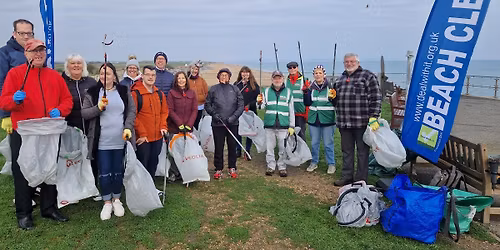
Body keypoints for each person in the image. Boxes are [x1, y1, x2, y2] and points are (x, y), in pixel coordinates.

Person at [0, 39, 73, 230]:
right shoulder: (15, 74)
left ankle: (48, 208)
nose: (38, 54)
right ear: (26, 54)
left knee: (50, 169)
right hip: (24, 132)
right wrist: (14, 101)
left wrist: (60, 110)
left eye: (41, 50)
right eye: (34, 51)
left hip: (49, 130)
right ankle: (23, 213)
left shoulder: (54, 76)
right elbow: (5, 102)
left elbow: (67, 100)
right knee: (23, 171)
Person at [81, 62, 136, 220]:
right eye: (102, 73)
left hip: (120, 139)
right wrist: (98, 108)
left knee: (118, 170)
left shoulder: (123, 91)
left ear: (114, 76)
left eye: (109, 73)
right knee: (105, 172)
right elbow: (85, 113)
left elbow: (131, 110)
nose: (105, 77)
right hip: (101, 141)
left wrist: (128, 127)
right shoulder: (92, 92)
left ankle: (116, 199)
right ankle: (106, 202)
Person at [333, 53, 381, 186]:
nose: (349, 64)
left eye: (351, 61)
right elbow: (336, 102)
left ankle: (360, 179)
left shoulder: (368, 76)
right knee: (346, 151)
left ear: (358, 62)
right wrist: (333, 98)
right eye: (346, 62)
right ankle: (347, 176)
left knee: (362, 152)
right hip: (344, 123)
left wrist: (374, 116)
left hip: (362, 122)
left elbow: (376, 97)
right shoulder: (340, 79)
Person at [205, 68, 244, 179]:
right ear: (218, 77)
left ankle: (232, 167)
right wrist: (214, 115)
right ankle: (218, 168)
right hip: (218, 123)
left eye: (226, 75)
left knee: (232, 146)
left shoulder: (235, 89)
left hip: (232, 123)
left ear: (229, 77)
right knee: (219, 146)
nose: (224, 77)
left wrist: (233, 117)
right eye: (221, 75)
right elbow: (207, 104)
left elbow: (240, 105)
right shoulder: (213, 89)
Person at [130, 65, 168, 179]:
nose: (150, 77)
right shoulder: (135, 93)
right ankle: (141, 190)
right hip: (143, 138)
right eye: (148, 75)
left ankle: (151, 189)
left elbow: (164, 112)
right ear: (142, 76)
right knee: (142, 165)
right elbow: (133, 115)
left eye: (153, 75)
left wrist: (163, 126)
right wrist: (142, 133)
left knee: (153, 163)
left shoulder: (159, 94)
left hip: (157, 137)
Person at [257, 71, 295, 177]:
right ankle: (271, 166)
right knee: (270, 147)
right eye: (275, 78)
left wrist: (292, 125)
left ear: (282, 79)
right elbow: (261, 107)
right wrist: (259, 102)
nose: (277, 80)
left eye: (279, 78)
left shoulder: (288, 92)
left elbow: (291, 110)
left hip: (283, 125)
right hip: (270, 124)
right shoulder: (266, 91)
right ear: (272, 79)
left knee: (282, 147)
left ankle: (282, 166)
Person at [0, 19, 34, 135]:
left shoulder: (37, 53)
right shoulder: (4, 53)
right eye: (21, 33)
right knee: (18, 150)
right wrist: (5, 114)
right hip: (15, 111)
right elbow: (1, 84)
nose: (26, 37)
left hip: (35, 110)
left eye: (29, 33)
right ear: (14, 34)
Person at [303, 65, 337, 174]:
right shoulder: (310, 88)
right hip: (314, 119)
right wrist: (305, 93)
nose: (318, 75)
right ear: (313, 75)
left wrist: (334, 97)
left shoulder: (331, 87)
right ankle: (314, 162)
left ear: (324, 75)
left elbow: (336, 103)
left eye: (320, 73)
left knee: (328, 143)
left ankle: (331, 164)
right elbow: (307, 103)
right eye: (316, 73)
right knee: (314, 143)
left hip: (328, 119)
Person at [167, 71, 198, 181]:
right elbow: (170, 110)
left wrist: (189, 125)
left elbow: (194, 110)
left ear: (186, 80)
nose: (181, 80)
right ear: (176, 80)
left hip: (188, 128)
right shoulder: (171, 93)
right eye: (178, 78)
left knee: (187, 151)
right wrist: (179, 124)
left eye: (183, 78)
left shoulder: (192, 93)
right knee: (175, 152)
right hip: (175, 128)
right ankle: (174, 173)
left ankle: (186, 172)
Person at [62, 54, 97, 133]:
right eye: (73, 63)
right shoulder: (62, 83)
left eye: (79, 63)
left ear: (83, 66)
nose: (76, 65)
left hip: (90, 128)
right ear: (67, 66)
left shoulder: (92, 83)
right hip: (69, 128)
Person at [234, 66, 260, 160]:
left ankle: (247, 150)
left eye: (247, 72)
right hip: (239, 112)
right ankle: (238, 149)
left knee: (249, 132)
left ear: (250, 74)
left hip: (250, 111)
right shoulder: (237, 84)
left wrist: (249, 104)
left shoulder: (254, 85)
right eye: (243, 72)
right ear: (240, 74)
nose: (245, 74)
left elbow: (257, 99)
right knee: (238, 131)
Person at [285, 61, 309, 140]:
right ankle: (291, 151)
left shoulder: (304, 80)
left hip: (300, 113)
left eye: (294, 67)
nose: (292, 69)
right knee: (289, 134)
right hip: (288, 113)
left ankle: (302, 151)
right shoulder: (285, 81)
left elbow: (309, 97)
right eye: (290, 68)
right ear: (288, 70)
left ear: (297, 68)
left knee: (300, 135)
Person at [187, 61, 208, 129]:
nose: (194, 71)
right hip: (189, 108)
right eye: (193, 68)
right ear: (189, 69)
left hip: (200, 107)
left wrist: (204, 99)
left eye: (196, 69)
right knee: (190, 125)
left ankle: (197, 138)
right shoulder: (186, 80)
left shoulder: (202, 80)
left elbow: (206, 92)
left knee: (198, 125)